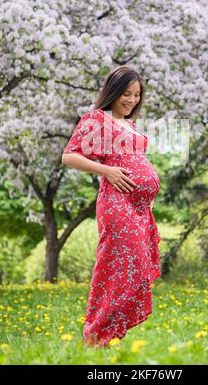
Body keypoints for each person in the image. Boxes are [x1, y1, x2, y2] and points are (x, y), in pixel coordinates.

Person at [62, 65, 161, 348]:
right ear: (113, 93)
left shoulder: (128, 125)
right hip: (117, 204)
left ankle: (106, 334)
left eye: (136, 95)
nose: (131, 100)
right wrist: (106, 171)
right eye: (126, 94)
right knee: (117, 268)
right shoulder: (98, 119)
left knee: (135, 269)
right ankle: (96, 334)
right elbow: (69, 156)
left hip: (139, 209)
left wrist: (147, 193)